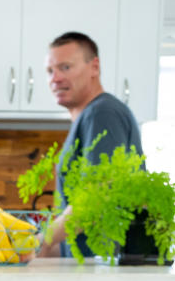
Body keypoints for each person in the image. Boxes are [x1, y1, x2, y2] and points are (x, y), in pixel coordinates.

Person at [36, 31, 145, 257]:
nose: (55, 78)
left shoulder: (102, 113)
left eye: (65, 67)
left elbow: (95, 200)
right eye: (50, 71)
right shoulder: (91, 116)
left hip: (102, 274)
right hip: (91, 270)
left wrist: (40, 240)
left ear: (94, 67)